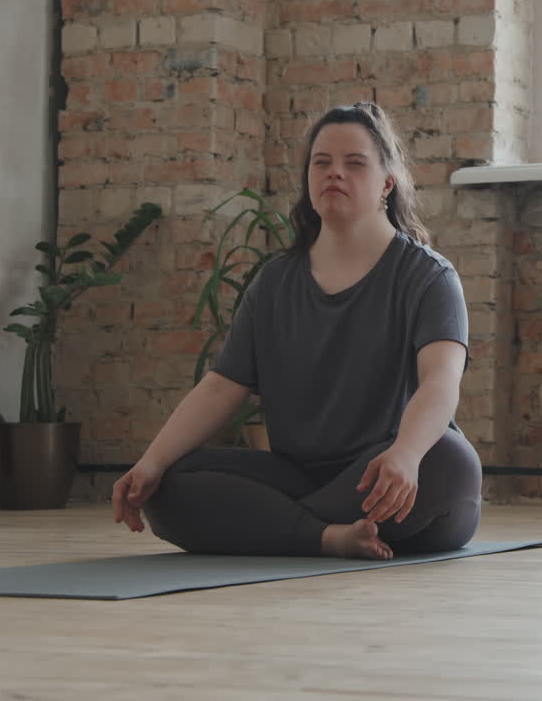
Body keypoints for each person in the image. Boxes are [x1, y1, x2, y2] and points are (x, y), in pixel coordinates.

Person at [111, 102, 481, 560]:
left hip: (383, 475)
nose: (334, 173)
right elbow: (221, 388)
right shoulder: (274, 283)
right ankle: (329, 537)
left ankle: (279, 526)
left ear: (387, 182)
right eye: (321, 162)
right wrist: (150, 462)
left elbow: (441, 381)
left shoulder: (428, 277)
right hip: (297, 474)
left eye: (354, 163)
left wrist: (406, 453)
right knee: (166, 485)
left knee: (451, 461)